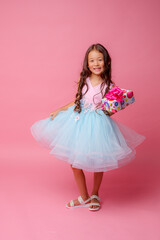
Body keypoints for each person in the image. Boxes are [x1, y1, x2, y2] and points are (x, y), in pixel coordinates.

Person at [30, 43, 146, 211]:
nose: (96, 63)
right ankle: (83, 197)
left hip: (98, 125)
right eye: (92, 60)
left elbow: (111, 108)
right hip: (77, 122)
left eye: (99, 59)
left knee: (98, 160)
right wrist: (60, 109)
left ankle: (94, 194)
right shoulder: (83, 81)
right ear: (87, 63)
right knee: (74, 163)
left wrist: (110, 110)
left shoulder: (109, 87)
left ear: (106, 62)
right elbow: (78, 100)